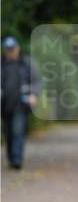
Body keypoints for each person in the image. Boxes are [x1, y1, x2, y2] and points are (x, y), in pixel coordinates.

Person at [1, 36, 39, 170]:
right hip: (4, 105)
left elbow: (36, 81)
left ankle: (17, 159)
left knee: (18, 130)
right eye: (8, 49)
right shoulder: (2, 64)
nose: (10, 52)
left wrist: (34, 94)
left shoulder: (26, 63)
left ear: (18, 48)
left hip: (21, 104)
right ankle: (11, 158)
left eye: (12, 49)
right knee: (8, 133)